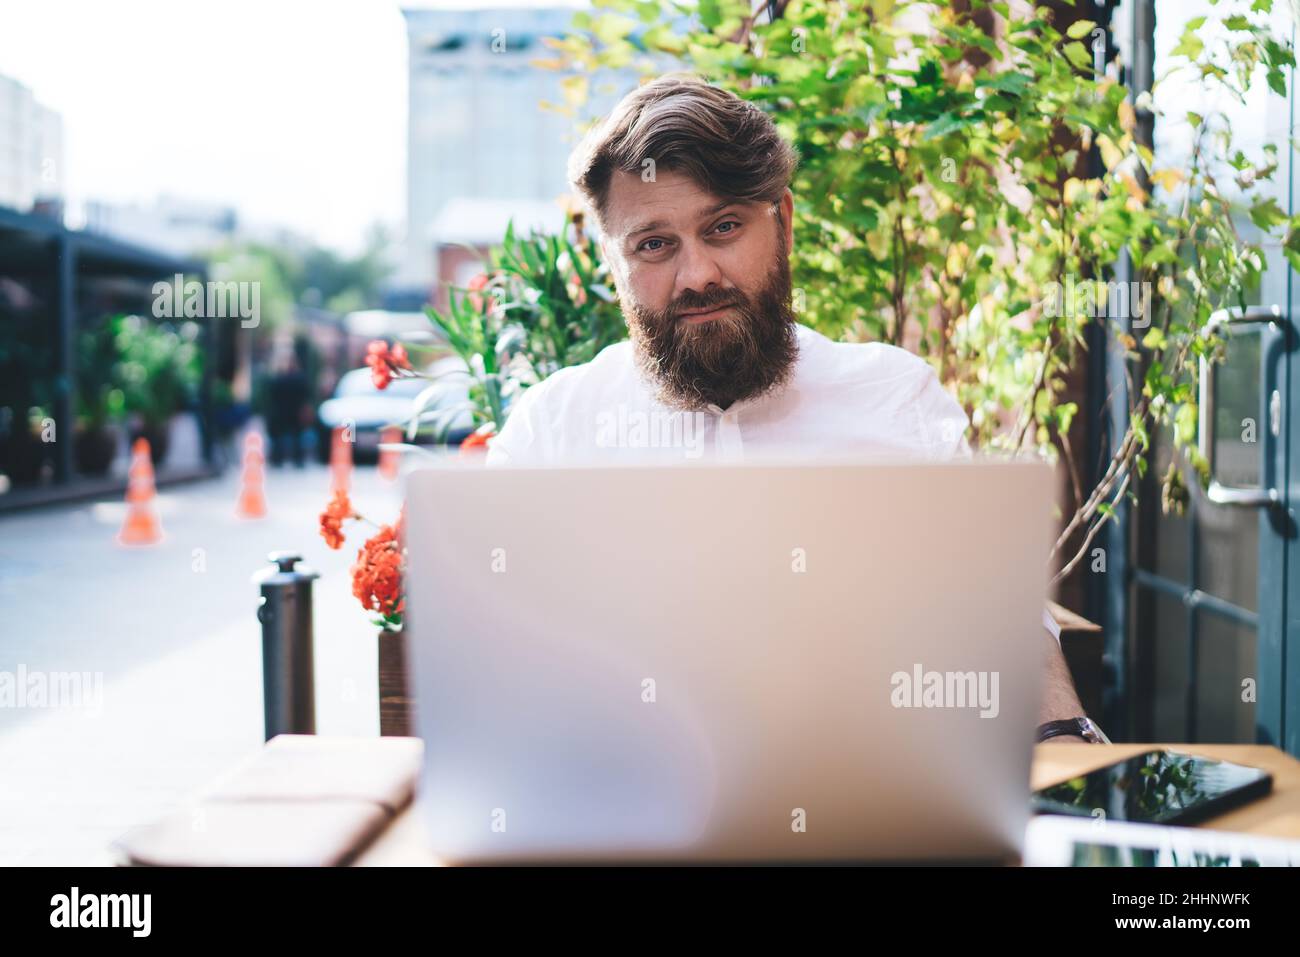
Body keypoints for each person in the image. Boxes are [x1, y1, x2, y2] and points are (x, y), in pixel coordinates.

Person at [488, 73, 1101, 744]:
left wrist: (1060, 744)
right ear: (614, 263)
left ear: (782, 222)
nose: (697, 276)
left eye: (723, 227)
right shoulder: (551, 433)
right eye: (654, 244)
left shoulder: (897, 402)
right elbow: (502, 667)